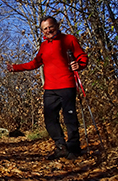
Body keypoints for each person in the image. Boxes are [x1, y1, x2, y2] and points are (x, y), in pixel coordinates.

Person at [7, 15, 88, 160]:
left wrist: (79, 64)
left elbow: (82, 57)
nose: (49, 30)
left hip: (67, 85)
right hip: (50, 88)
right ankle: (61, 146)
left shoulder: (68, 39)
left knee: (70, 117)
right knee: (50, 119)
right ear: (42, 31)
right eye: (45, 29)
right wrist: (15, 68)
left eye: (50, 27)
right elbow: (35, 63)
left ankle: (74, 148)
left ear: (56, 25)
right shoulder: (44, 46)